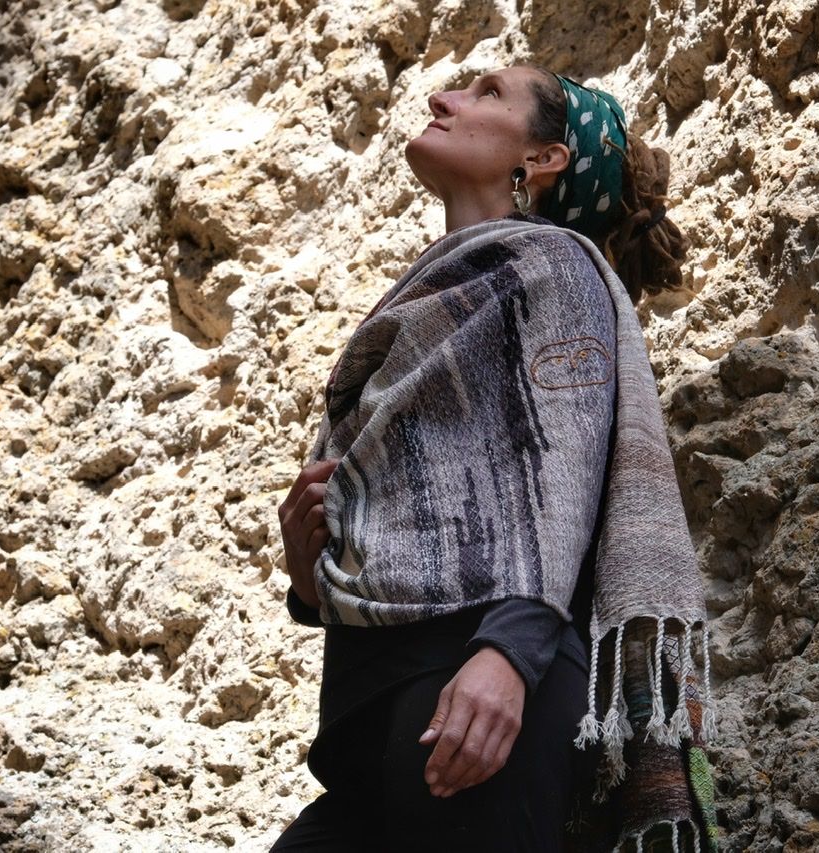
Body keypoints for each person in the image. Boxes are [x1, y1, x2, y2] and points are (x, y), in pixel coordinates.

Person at [270, 65, 717, 852]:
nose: (443, 99)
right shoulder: (422, 297)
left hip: (483, 673)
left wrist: (510, 653)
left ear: (542, 159)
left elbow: (564, 471)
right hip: (363, 725)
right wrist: (310, 573)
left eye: (484, 93)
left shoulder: (555, 268)